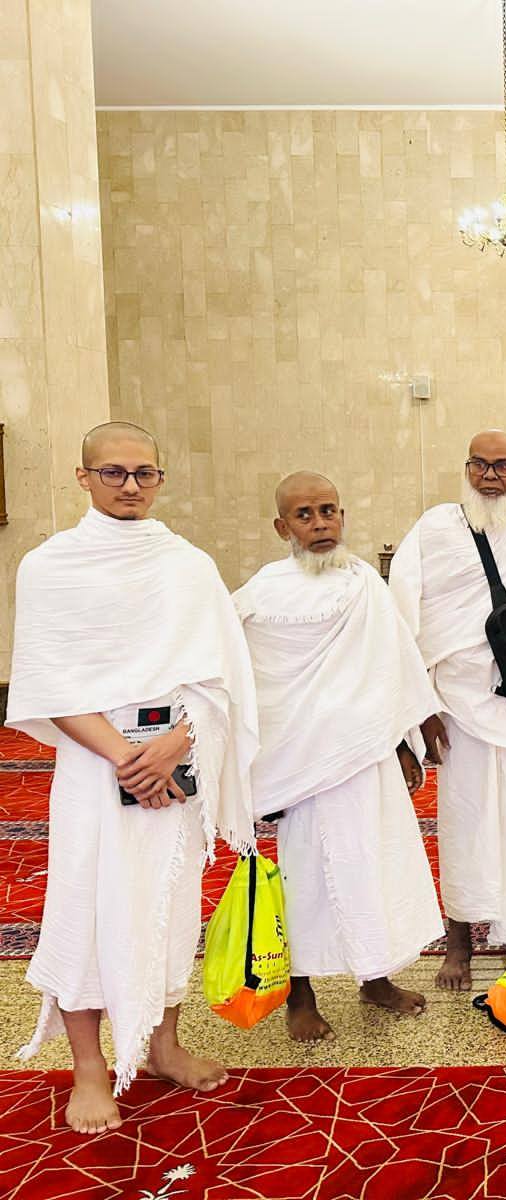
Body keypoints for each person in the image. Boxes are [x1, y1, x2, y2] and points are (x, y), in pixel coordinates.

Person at [10, 422, 257, 1133]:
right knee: (86, 905)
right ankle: (89, 1069)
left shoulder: (188, 566)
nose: (130, 485)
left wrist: (176, 744)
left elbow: (223, 676)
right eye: (113, 472)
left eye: (144, 473)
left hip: (177, 757)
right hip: (94, 761)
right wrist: (127, 756)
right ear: (83, 477)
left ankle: (161, 1045)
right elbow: (48, 684)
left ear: (160, 478)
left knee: (170, 905)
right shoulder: (50, 565)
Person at [233, 472, 443, 1041]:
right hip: (300, 767)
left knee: (373, 864)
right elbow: (246, 678)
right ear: (282, 527)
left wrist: (402, 743)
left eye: (328, 510)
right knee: (305, 879)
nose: (320, 523)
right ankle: (299, 996)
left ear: (342, 516)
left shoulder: (364, 585)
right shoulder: (259, 594)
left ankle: (375, 978)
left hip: (366, 759)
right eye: (304, 515)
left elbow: (391, 668)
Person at [388, 430, 506, 989]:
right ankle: (460, 941)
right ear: (467, 467)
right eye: (480, 465)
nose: (491, 476)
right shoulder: (434, 530)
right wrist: (422, 709)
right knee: (466, 821)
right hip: (457, 706)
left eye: (503, 466)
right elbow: (405, 625)